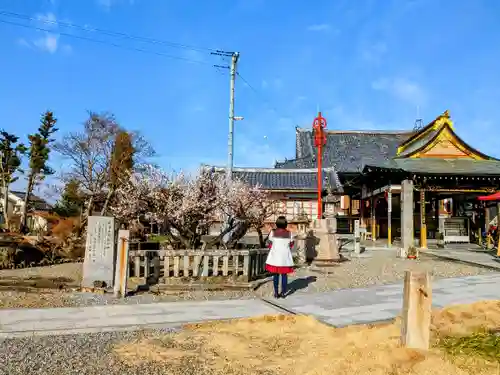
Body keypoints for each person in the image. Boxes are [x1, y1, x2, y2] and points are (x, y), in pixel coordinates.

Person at [265, 216, 294, 298]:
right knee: (284, 275)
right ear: (285, 224)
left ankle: (276, 293)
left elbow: (270, 243)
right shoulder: (289, 233)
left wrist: (274, 249)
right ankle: (284, 293)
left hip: (275, 257)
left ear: (277, 223)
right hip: (285, 258)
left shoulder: (273, 232)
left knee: (276, 275)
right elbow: (291, 244)